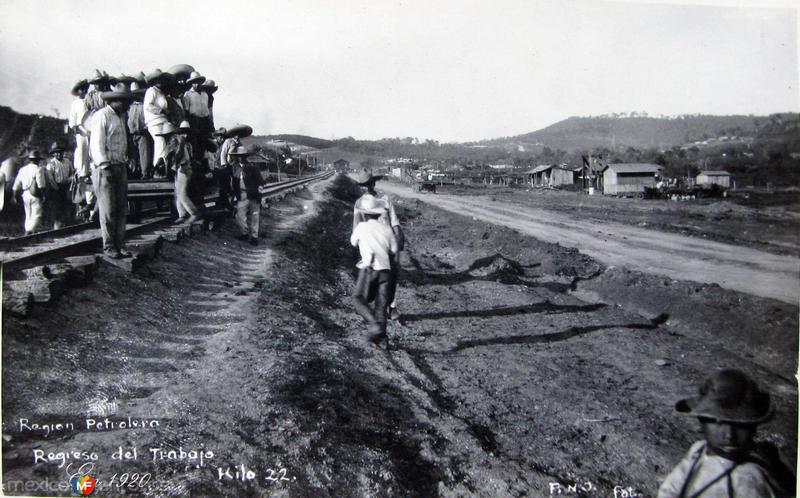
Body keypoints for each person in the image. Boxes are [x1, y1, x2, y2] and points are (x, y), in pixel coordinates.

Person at [657, 369, 794, 498]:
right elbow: (672, 487)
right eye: (718, 423)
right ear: (702, 422)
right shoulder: (699, 449)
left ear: (754, 427)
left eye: (741, 425)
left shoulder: (748, 479)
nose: (729, 435)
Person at [352, 168, 405, 320]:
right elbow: (356, 225)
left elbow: (394, 221)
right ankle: (372, 306)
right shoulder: (359, 203)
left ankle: (391, 306)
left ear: (374, 184)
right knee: (374, 273)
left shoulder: (385, 200)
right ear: (361, 187)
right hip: (371, 240)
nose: (367, 188)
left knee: (393, 272)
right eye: (363, 185)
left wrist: (398, 238)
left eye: (369, 184)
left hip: (387, 239)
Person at [89, 89, 136, 259]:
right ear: (113, 101)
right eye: (123, 101)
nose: (126, 105)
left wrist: (127, 159)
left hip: (120, 165)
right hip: (105, 167)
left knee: (121, 208)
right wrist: (104, 165)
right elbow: (97, 143)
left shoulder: (121, 117)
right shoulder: (101, 116)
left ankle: (120, 244)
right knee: (108, 209)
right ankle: (109, 246)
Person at [350, 196, 399, 339]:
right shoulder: (386, 229)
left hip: (369, 269)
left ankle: (373, 323)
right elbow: (394, 250)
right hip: (385, 271)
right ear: (378, 213)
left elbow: (353, 242)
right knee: (381, 306)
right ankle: (382, 340)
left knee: (357, 298)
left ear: (364, 214)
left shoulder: (361, 227)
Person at [160, 121, 201, 224]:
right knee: (178, 193)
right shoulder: (183, 142)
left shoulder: (176, 141)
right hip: (182, 169)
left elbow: (177, 155)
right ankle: (182, 215)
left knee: (182, 193)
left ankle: (194, 213)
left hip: (184, 168)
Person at [230, 145, 265, 245]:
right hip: (241, 195)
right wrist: (233, 195)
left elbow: (260, 181)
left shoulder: (252, 167)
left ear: (245, 157)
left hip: (253, 195)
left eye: (242, 156)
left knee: (255, 216)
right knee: (240, 216)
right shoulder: (234, 167)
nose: (240, 158)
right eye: (239, 156)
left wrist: (260, 189)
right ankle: (244, 233)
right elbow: (233, 183)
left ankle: (254, 237)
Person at [143, 69, 174, 176]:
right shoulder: (151, 91)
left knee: (164, 144)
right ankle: (157, 168)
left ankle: (162, 168)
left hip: (163, 121)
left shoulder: (161, 93)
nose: (161, 82)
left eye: (162, 80)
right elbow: (148, 106)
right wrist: (161, 110)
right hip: (154, 121)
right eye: (158, 80)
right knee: (159, 142)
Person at [12, 149, 47, 234]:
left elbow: (16, 185)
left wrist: (15, 196)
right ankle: (29, 232)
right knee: (36, 214)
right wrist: (44, 195)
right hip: (35, 194)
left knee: (28, 215)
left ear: (30, 159)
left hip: (25, 194)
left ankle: (27, 232)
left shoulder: (23, 169)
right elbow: (41, 185)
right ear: (38, 160)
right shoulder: (38, 169)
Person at [181, 71, 211, 161]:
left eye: (198, 82)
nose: (197, 84)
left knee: (203, 144)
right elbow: (186, 110)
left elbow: (207, 110)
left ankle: (202, 166)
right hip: (194, 120)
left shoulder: (205, 95)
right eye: (194, 82)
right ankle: (195, 165)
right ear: (191, 83)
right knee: (194, 144)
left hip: (204, 121)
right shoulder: (188, 94)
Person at [45, 142, 74, 229]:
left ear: (63, 152)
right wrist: (57, 189)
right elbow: (50, 178)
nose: (58, 154)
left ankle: (67, 225)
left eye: (60, 152)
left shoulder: (67, 161)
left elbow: (71, 173)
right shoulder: (51, 164)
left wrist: (69, 182)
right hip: (56, 188)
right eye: (56, 152)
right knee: (57, 208)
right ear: (53, 154)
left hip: (66, 186)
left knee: (67, 206)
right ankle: (57, 227)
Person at [128, 81, 153, 179]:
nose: (136, 96)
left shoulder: (144, 106)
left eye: (137, 94)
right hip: (131, 134)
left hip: (142, 133)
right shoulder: (129, 107)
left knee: (144, 154)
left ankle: (145, 173)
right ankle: (135, 172)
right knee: (133, 155)